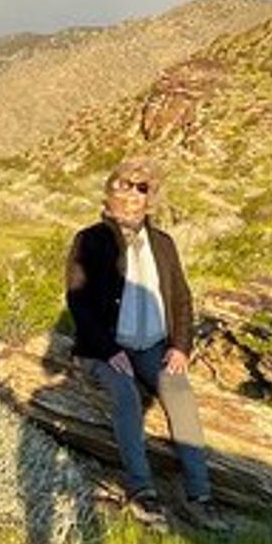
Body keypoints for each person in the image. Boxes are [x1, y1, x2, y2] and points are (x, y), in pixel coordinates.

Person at [64, 156, 214, 519]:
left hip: (152, 345)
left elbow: (181, 297)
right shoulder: (90, 241)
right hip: (106, 348)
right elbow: (78, 301)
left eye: (141, 188)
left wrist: (180, 346)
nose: (132, 194)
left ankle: (200, 495)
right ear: (108, 195)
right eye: (123, 185)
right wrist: (108, 349)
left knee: (179, 394)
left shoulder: (162, 243)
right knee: (127, 397)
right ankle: (141, 488)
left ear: (151, 198)